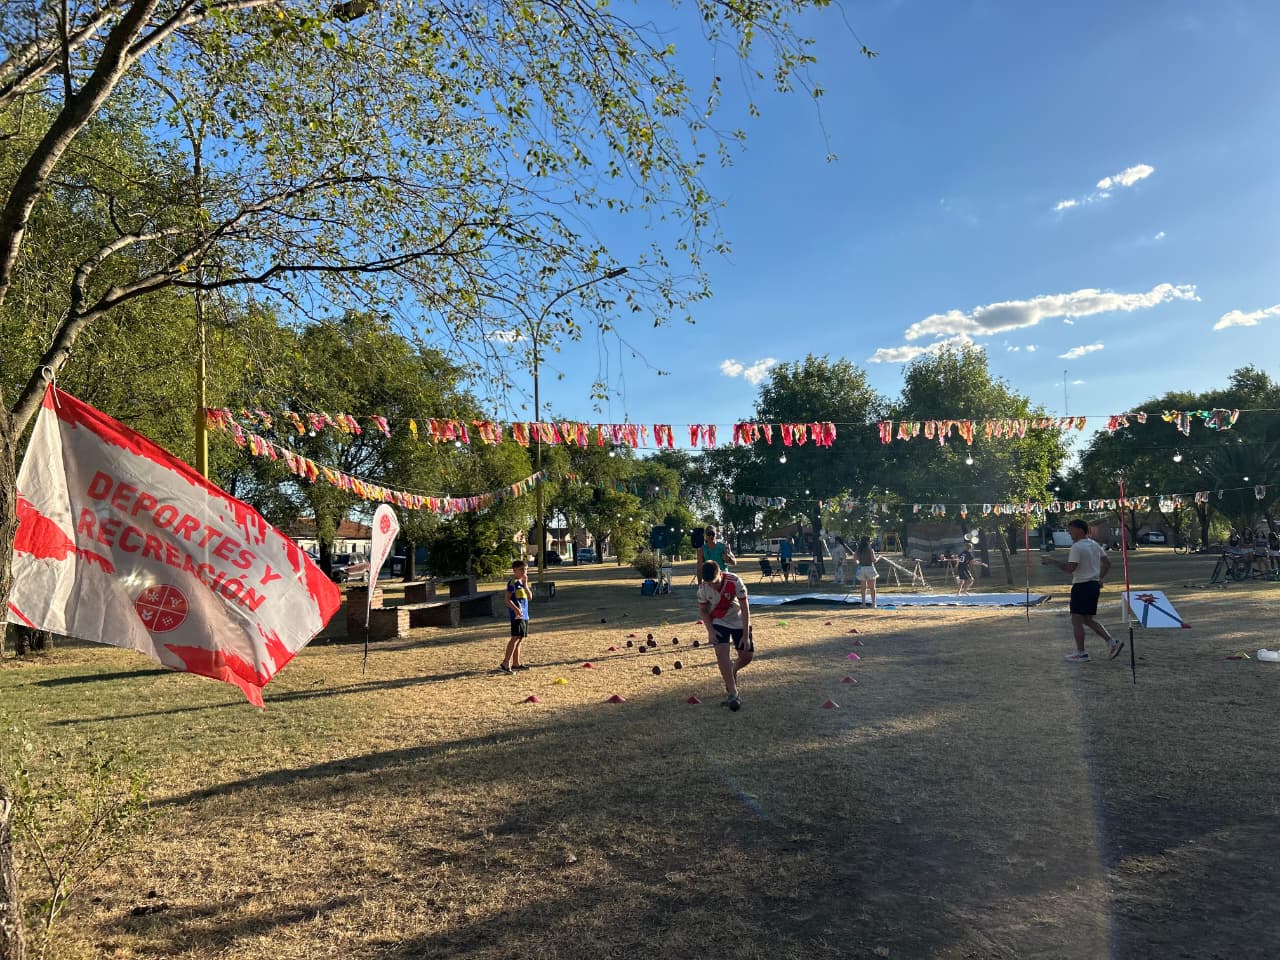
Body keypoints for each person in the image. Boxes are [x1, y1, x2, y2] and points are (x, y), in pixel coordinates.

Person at [1041, 519, 1122, 663]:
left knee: (1076, 620)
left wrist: (1052, 561)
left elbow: (1070, 568)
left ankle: (1081, 653)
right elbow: (1107, 563)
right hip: (1093, 586)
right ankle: (1111, 642)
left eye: (1070, 529)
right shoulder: (1095, 544)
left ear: (1080, 530)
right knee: (1088, 619)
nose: (1069, 532)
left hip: (1082, 586)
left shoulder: (1077, 547)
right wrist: (1099, 578)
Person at [697, 560, 754, 711]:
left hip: (738, 620)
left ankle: (733, 669)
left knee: (747, 656)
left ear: (720, 574)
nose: (712, 586)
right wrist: (710, 631)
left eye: (714, 583)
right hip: (719, 621)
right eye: (708, 583)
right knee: (721, 653)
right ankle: (733, 693)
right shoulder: (703, 588)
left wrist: (745, 634)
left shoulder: (735, 581)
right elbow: (703, 610)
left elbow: (745, 607)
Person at [498, 559, 531, 674]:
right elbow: (507, 600)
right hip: (517, 615)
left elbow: (530, 597)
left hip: (524, 615)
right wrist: (516, 610)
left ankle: (516, 663)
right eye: (521, 569)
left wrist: (526, 585)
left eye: (526, 569)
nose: (524, 572)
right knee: (515, 637)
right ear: (514, 570)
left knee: (520, 638)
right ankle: (505, 664)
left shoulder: (522, 582)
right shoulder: (512, 582)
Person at [855, 536, 878, 608]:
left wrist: (859, 562)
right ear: (867, 542)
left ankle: (863, 604)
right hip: (869, 568)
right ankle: (873, 604)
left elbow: (855, 558)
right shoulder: (870, 549)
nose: (871, 542)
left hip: (861, 568)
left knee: (863, 588)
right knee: (872, 588)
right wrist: (879, 557)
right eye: (870, 541)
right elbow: (874, 560)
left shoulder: (859, 550)